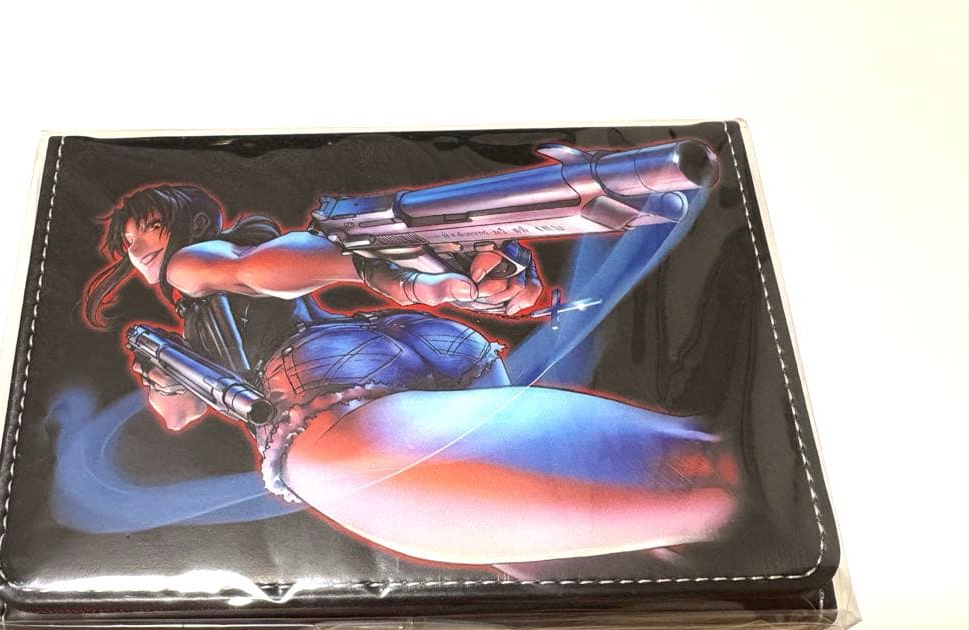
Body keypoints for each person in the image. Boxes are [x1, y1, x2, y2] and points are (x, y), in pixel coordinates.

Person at [84, 184, 737, 565]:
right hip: (419, 345)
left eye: (149, 228)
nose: (139, 247)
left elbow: (251, 272)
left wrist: (375, 268)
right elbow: (181, 409)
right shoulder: (195, 316)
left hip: (322, 380)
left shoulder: (191, 266)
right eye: (130, 241)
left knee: (698, 499)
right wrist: (419, 280)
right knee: (577, 538)